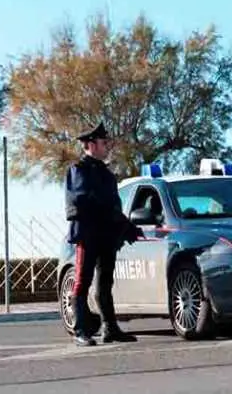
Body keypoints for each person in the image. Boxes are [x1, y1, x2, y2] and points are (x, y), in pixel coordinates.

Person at [64, 122, 144, 346]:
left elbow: (114, 207)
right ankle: (81, 330)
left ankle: (110, 328)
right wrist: (105, 212)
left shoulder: (107, 175)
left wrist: (126, 227)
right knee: (82, 282)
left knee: (105, 282)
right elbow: (78, 202)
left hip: (107, 236)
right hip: (88, 235)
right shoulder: (78, 170)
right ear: (90, 145)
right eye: (103, 142)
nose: (107, 146)